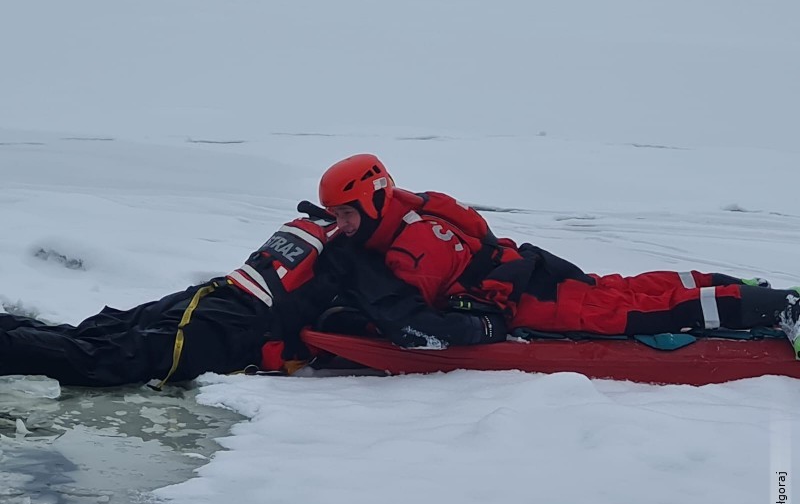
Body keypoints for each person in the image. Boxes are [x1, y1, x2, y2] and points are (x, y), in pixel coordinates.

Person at [317, 154, 800, 351]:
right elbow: (480, 232)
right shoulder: (416, 207)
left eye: (346, 214)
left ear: (373, 200)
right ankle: (741, 289)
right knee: (627, 289)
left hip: (533, 300)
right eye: (335, 215)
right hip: (531, 271)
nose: (341, 225)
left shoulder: (414, 247)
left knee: (645, 312)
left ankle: (779, 308)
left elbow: (418, 318)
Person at [0, 213, 341, 387]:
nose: (346, 221)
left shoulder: (323, 228)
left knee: (97, 335)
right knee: (109, 356)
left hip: (214, 295)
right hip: (232, 326)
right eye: (343, 213)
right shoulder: (350, 254)